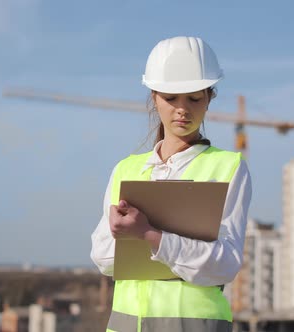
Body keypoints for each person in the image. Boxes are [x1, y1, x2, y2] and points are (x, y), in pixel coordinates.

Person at [90, 36, 252, 332]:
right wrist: (125, 236)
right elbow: (102, 259)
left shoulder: (227, 167)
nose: (182, 109)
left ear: (209, 98)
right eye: (171, 97)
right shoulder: (127, 169)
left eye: (194, 98)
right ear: (154, 97)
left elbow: (226, 264)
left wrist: (150, 236)